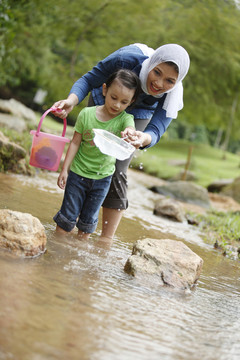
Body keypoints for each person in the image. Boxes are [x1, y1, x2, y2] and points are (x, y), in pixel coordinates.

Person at [52, 43, 190, 239]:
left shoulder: (173, 93)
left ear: (177, 81)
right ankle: (69, 219)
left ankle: (105, 239)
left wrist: (142, 138)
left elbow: (157, 128)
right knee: (89, 150)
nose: (159, 83)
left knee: (118, 168)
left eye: (169, 80)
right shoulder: (125, 60)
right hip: (107, 98)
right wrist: (71, 101)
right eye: (157, 72)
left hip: (141, 111)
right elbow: (89, 79)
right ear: (151, 64)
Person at [53, 69, 141, 239]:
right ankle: (57, 250)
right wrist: (65, 169)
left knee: (86, 226)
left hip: (102, 179)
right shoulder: (86, 114)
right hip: (78, 175)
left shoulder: (125, 119)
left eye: (124, 102)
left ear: (131, 102)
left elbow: (130, 128)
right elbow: (75, 143)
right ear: (104, 90)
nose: (117, 105)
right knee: (66, 220)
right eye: (113, 98)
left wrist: (130, 133)